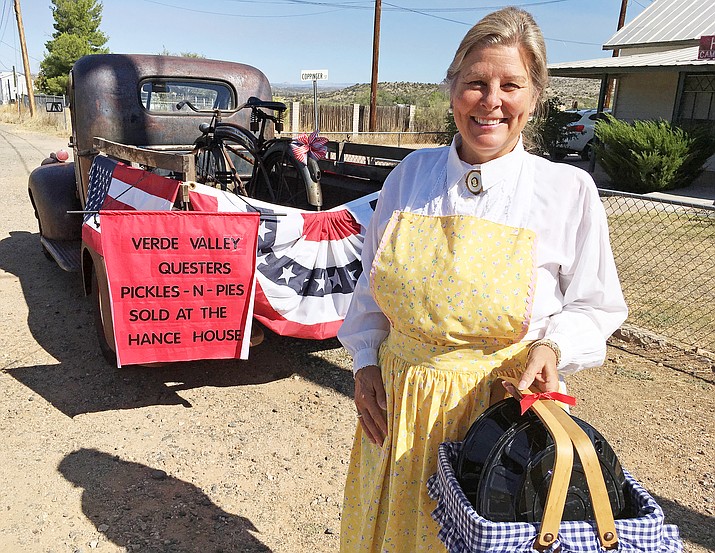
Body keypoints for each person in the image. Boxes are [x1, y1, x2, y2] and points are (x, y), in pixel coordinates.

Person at [336, 6, 628, 552]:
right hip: (399, 408)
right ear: (452, 90)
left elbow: (595, 305)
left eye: (510, 84)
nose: (491, 100)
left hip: (501, 420)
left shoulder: (566, 191)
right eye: (476, 82)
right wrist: (366, 361)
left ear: (535, 95)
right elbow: (373, 290)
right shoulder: (410, 177)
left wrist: (553, 347)